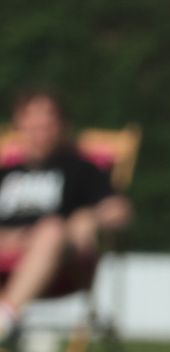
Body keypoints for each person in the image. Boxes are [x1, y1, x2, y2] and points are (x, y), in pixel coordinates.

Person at [0, 89, 131, 340]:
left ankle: (5, 319)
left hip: (61, 264)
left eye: (46, 123)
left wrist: (91, 218)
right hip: (5, 252)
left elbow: (119, 211)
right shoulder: (6, 171)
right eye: (31, 123)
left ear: (61, 125)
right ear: (18, 125)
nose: (39, 131)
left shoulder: (79, 168)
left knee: (51, 229)